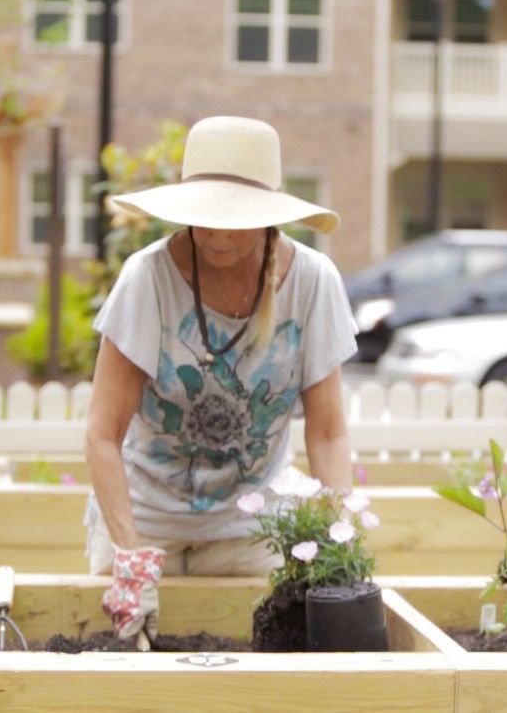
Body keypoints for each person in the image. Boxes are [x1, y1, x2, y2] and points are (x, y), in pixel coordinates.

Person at [85, 116, 358, 644]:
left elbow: (327, 432)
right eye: (201, 217)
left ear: (267, 219)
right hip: (143, 521)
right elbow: (102, 433)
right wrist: (130, 555)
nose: (211, 233)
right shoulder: (148, 280)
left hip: (250, 529)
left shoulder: (312, 284)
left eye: (231, 219)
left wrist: (336, 541)